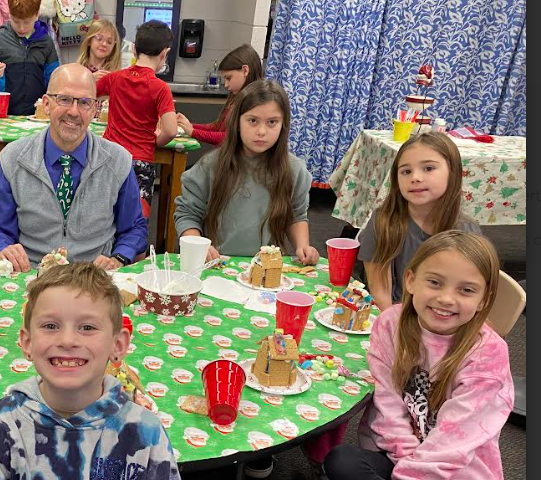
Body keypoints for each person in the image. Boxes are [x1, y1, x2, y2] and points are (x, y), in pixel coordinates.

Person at [0, 262, 181, 479]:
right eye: (50, 326)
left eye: (87, 327)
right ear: (27, 343)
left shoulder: (145, 432)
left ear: (118, 345)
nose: (67, 340)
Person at [325, 230, 512, 479]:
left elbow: (455, 441)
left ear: (483, 300)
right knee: (342, 460)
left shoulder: (488, 354)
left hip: (456, 469)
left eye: (466, 290)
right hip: (399, 456)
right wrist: (406, 462)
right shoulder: (390, 324)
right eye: (434, 282)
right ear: (411, 280)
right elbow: (388, 404)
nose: (446, 299)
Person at [0, 63, 148, 272]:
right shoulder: (13, 158)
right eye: (64, 99)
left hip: (93, 278)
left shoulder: (118, 161)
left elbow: (134, 228)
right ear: (46, 104)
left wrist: (118, 258)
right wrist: (2, 248)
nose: (74, 112)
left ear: (95, 110)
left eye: (84, 102)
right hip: (31, 275)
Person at [174, 79, 319, 264]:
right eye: (253, 121)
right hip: (216, 265)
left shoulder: (294, 170)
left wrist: (303, 246)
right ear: (237, 122)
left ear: (283, 125)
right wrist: (197, 243)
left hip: (267, 269)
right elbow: (187, 214)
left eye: (272, 122)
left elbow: (296, 216)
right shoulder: (210, 166)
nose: (261, 131)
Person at [359, 131, 479, 311]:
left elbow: (468, 296)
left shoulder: (467, 232)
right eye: (406, 171)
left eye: (428, 168)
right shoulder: (384, 222)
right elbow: (380, 293)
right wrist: (394, 324)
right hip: (394, 316)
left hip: (444, 315)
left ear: (452, 172)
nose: (415, 177)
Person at [96, 20, 178, 211]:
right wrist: (156, 141)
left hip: (110, 157)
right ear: (164, 53)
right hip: (141, 160)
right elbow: (171, 130)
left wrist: (91, 78)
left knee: (105, 214)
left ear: (134, 49)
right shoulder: (160, 88)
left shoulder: (114, 78)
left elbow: (88, 94)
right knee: (137, 216)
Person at [0, 0, 60, 116]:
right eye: (16, 21)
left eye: (27, 22)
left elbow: (54, 77)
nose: (21, 28)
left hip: (38, 114)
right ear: (10, 14)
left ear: (36, 15)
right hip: (5, 113)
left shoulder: (46, 42)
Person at [176, 44, 264, 146]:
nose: (226, 85)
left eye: (228, 78)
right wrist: (188, 126)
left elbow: (229, 138)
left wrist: (193, 132)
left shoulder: (253, 103)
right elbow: (217, 127)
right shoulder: (235, 97)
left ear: (245, 70)